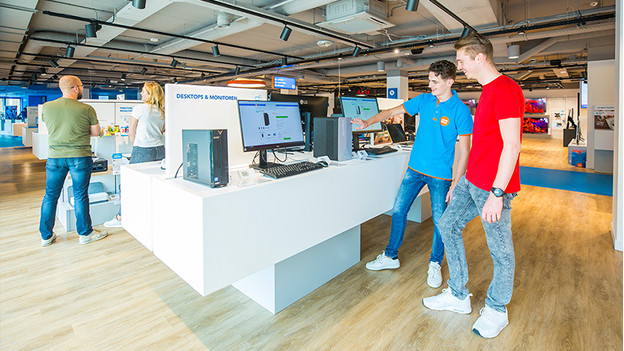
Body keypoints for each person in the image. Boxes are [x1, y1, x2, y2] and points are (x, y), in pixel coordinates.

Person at [422, 33, 523, 339]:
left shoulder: (505, 89)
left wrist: (497, 193)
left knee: (500, 251)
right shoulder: (487, 91)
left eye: (462, 61)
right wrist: (460, 181)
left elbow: (512, 146)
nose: (460, 67)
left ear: (480, 58)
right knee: (447, 224)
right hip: (471, 180)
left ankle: (496, 309)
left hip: (493, 187)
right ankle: (457, 295)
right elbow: (483, 144)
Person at [353, 60, 473, 288]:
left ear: (450, 81)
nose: (431, 86)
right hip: (414, 169)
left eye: (435, 82)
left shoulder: (460, 111)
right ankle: (390, 257)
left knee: (440, 222)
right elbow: (391, 111)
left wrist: (457, 181)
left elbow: (465, 150)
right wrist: (368, 121)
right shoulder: (425, 100)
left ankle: (435, 263)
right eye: (429, 80)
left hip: (440, 176)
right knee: (398, 210)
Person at [39, 75, 108, 246]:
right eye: (81, 86)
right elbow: (95, 133)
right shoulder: (86, 109)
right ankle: (85, 233)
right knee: (80, 195)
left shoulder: (47, 107)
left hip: (55, 157)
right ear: (76, 88)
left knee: (50, 195)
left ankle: (46, 236)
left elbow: (51, 126)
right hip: (79, 156)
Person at [104, 82, 165, 228]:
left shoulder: (140, 108)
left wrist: (136, 146)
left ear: (150, 94)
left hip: (143, 149)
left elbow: (132, 131)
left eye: (144, 92)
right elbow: (162, 131)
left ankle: (121, 218)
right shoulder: (162, 111)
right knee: (155, 184)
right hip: (160, 149)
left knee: (129, 184)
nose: (141, 94)